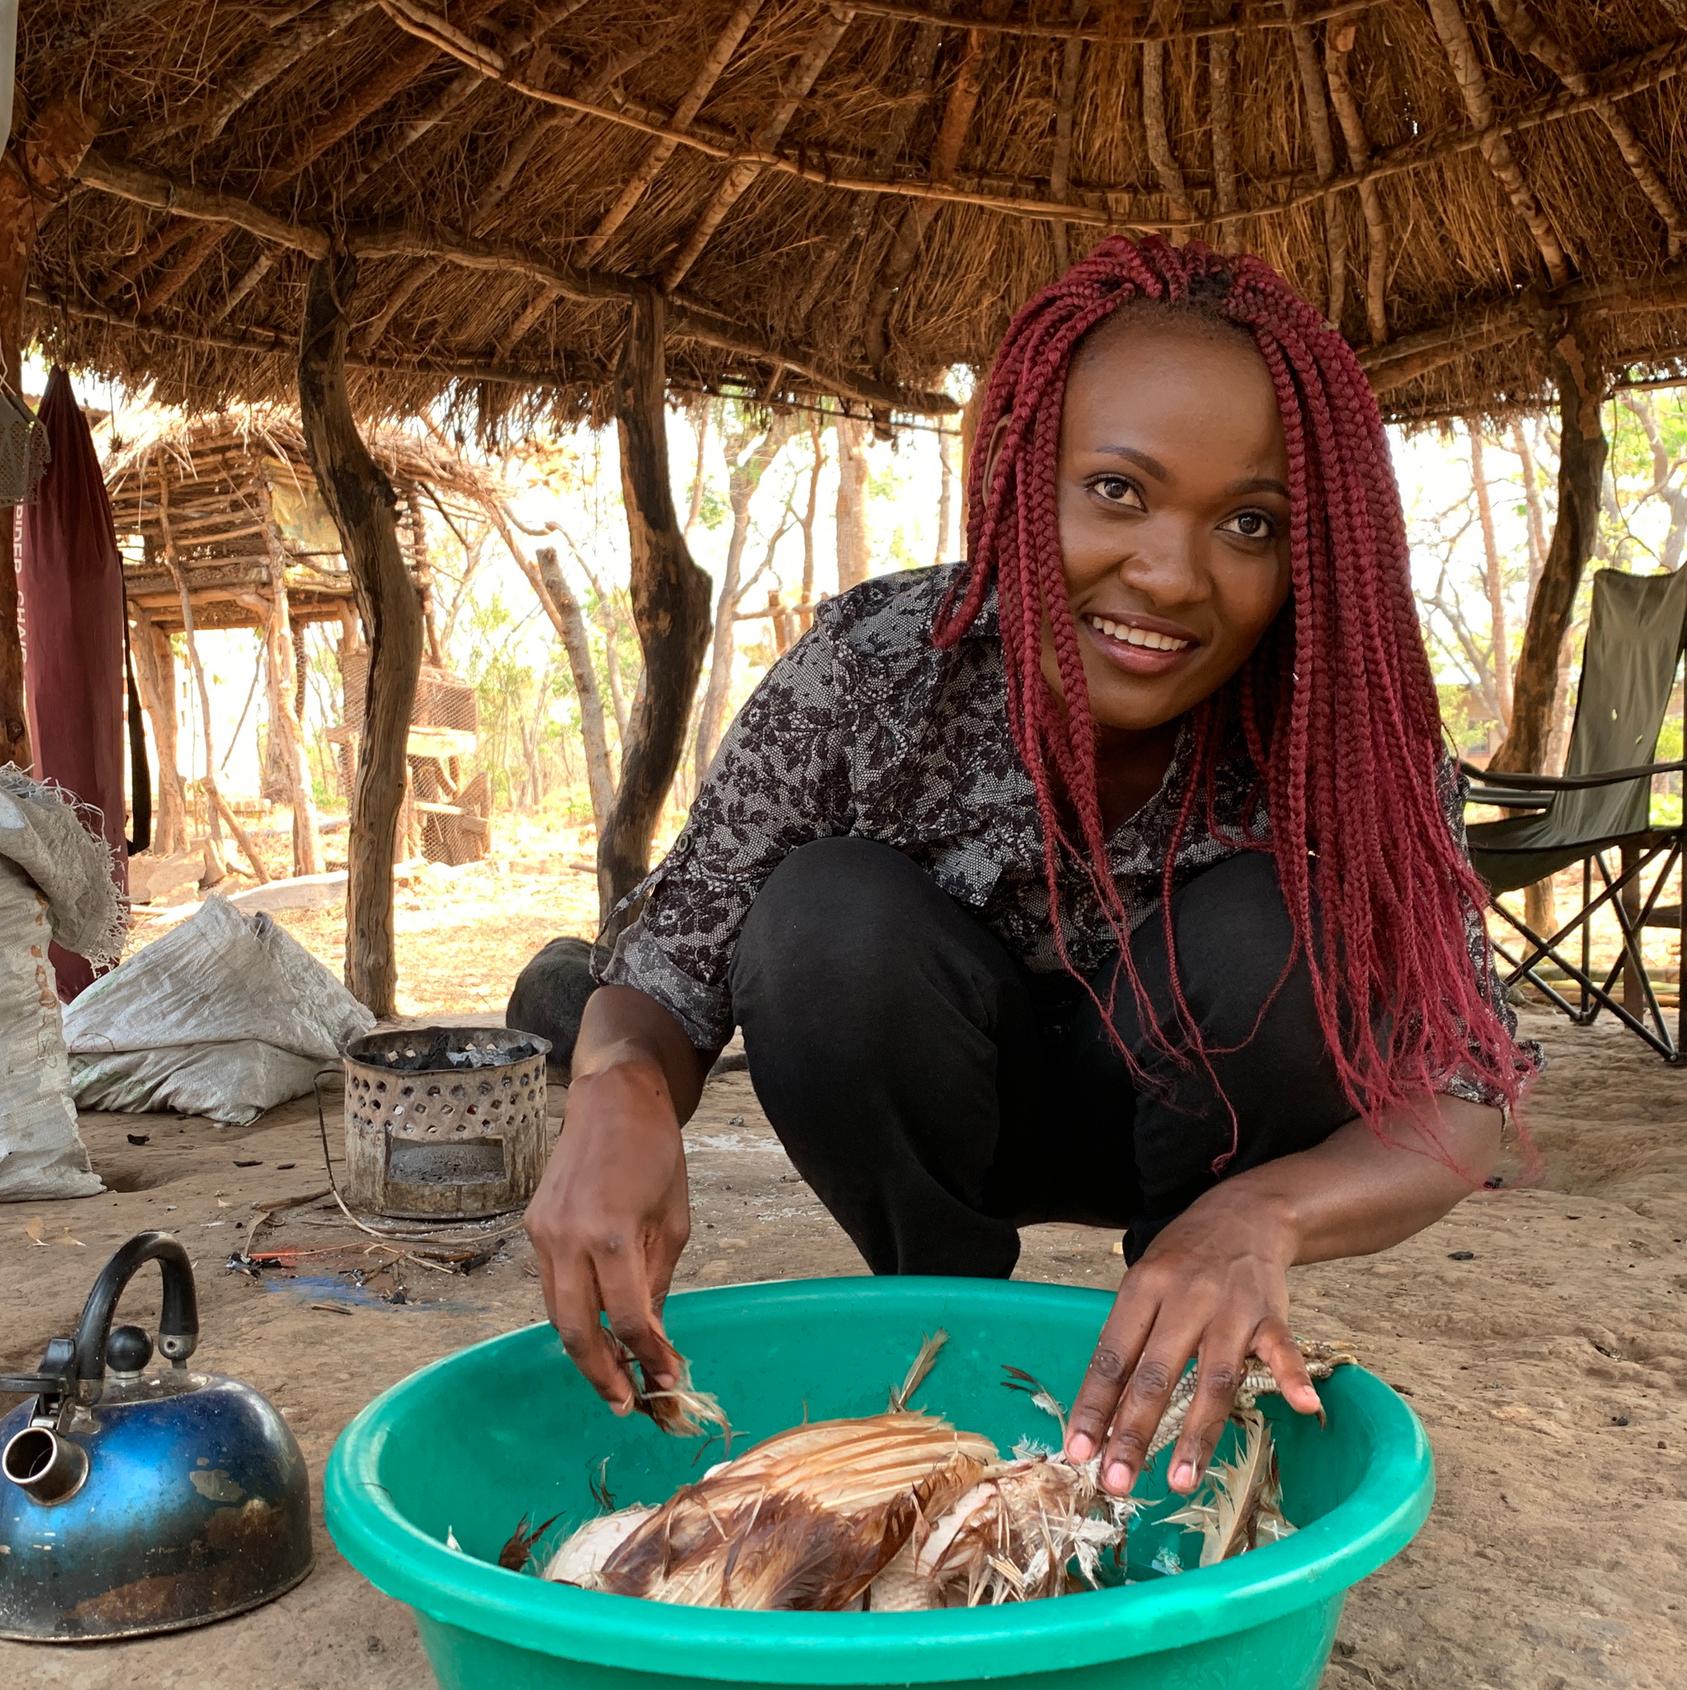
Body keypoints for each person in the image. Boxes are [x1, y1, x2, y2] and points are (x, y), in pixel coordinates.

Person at [526, 235, 1534, 1505]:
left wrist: (1264, 1219)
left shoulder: (1350, 728)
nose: (1169, 574)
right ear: (1020, 478)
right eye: (1116, 489)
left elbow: (1464, 1085)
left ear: (1306, 555)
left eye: (1248, 522)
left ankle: (1176, 1311)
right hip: (942, 1104)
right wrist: (617, 1092)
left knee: (1281, 926)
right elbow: (664, 975)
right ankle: (938, 1313)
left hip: (1195, 1127)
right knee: (821, 917)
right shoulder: (875, 666)